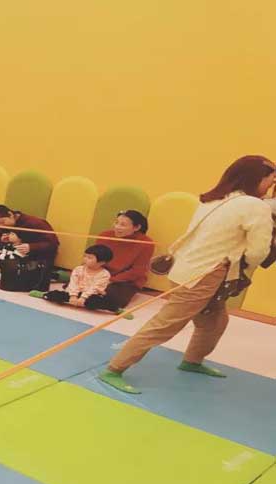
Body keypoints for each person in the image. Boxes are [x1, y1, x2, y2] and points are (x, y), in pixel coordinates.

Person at [99, 156, 275, 394]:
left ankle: (192, 361)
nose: (270, 185)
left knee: (214, 322)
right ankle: (114, 368)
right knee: (165, 325)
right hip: (204, 275)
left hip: (185, 269)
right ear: (257, 178)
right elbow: (257, 252)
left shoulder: (214, 199)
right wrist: (247, 262)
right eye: (270, 179)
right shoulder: (255, 206)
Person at [94, 210, 154, 309]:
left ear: (136, 227)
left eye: (123, 225)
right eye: (116, 222)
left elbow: (138, 271)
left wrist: (110, 280)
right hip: (102, 274)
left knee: (112, 297)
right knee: (75, 286)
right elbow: (95, 258)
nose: (117, 227)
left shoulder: (146, 243)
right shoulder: (104, 235)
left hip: (126, 281)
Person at [39, 245, 119, 311]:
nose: (85, 259)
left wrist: (83, 298)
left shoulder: (104, 274)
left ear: (101, 262)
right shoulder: (78, 269)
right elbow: (73, 283)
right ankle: (44, 294)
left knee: (95, 302)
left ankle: (116, 309)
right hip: (76, 292)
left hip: (91, 295)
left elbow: (95, 288)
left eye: (89, 258)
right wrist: (73, 295)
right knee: (56, 295)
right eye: (85, 256)